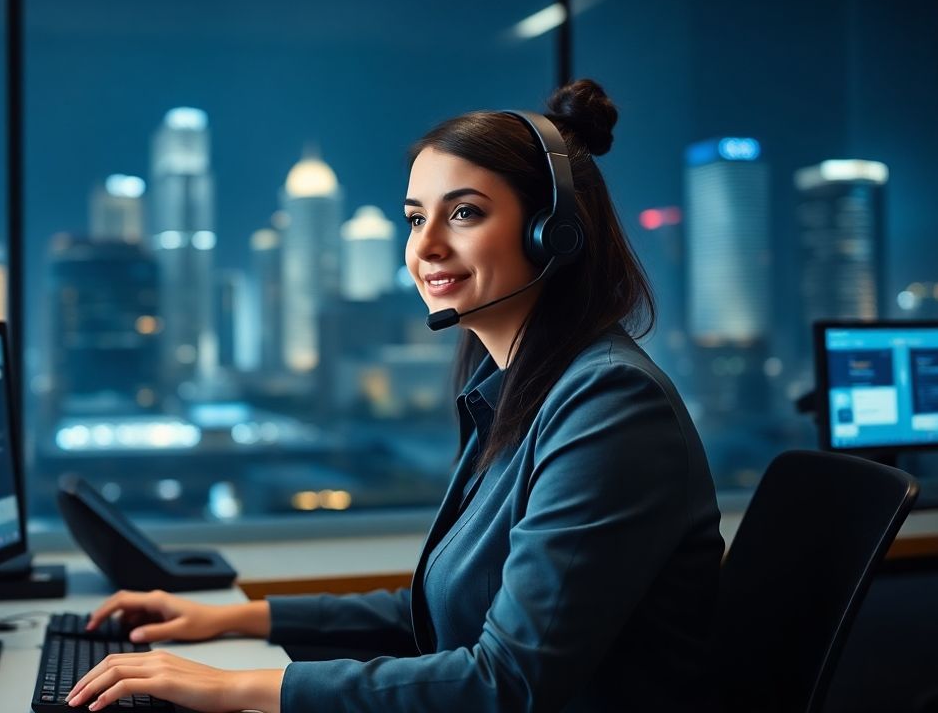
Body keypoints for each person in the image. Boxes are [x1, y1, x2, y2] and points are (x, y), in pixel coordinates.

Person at [65, 79, 724, 713]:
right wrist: (233, 616)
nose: (426, 247)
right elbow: (437, 607)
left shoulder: (608, 404)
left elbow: (507, 683)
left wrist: (233, 688)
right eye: (415, 219)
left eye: (464, 212)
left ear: (551, 232)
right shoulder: (513, 393)